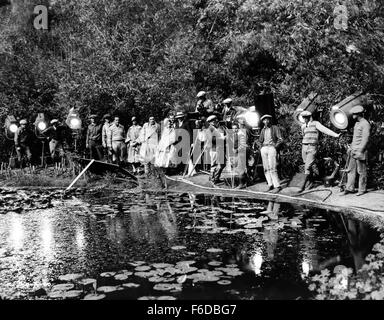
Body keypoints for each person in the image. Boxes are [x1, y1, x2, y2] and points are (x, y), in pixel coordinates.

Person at [299, 110, 341, 192]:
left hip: (312, 147)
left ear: (310, 117)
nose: (305, 119)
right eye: (304, 118)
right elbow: (303, 135)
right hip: (304, 147)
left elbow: (325, 130)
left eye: (306, 117)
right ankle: (310, 183)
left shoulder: (315, 123)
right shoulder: (303, 126)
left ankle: (302, 186)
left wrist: (335, 135)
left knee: (307, 166)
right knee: (306, 165)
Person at [341, 105, 371, 196]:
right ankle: (350, 188)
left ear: (358, 114)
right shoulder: (357, 123)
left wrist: (360, 150)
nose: (352, 116)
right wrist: (350, 148)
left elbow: (365, 139)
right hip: (353, 150)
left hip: (360, 151)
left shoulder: (365, 123)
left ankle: (362, 189)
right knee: (350, 170)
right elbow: (355, 138)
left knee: (361, 171)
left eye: (354, 114)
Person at [258, 114, 283, 191]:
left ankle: (277, 185)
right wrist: (260, 147)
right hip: (264, 148)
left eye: (268, 119)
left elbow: (280, 139)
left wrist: (275, 146)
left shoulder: (275, 128)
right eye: (264, 120)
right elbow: (260, 140)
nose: (266, 121)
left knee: (273, 167)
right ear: (263, 121)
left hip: (271, 148)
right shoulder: (263, 130)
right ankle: (270, 184)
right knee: (266, 168)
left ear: (270, 120)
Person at [205, 115, 227, 186]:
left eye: (216, 120)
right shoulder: (210, 129)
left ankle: (215, 178)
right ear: (211, 122)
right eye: (214, 120)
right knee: (215, 164)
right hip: (214, 149)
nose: (216, 121)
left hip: (219, 148)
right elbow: (212, 139)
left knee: (222, 164)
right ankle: (213, 179)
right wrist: (222, 138)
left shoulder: (216, 128)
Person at [231, 122, 248, 189]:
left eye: (236, 128)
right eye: (233, 128)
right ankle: (245, 182)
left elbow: (243, 144)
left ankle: (241, 184)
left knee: (240, 168)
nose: (234, 129)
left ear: (238, 128)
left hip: (241, 153)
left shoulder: (241, 134)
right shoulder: (234, 134)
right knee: (237, 168)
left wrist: (237, 149)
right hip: (236, 153)